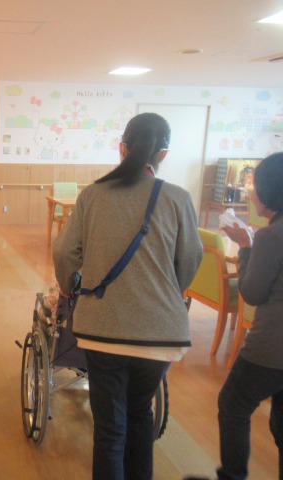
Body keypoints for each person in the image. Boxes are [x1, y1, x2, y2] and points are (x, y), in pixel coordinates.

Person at [52, 112, 202, 479]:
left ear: (121, 148)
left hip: (102, 330)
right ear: (163, 155)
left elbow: (64, 251)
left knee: (109, 427)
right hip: (160, 335)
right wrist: (167, 292)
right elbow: (190, 259)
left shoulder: (92, 195)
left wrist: (69, 287)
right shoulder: (178, 198)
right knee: (139, 413)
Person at [186, 152, 283, 480]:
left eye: (256, 187)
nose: (251, 194)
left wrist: (246, 247)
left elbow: (252, 293)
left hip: (271, 348)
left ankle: (232, 476)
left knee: (233, 404)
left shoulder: (271, 236)